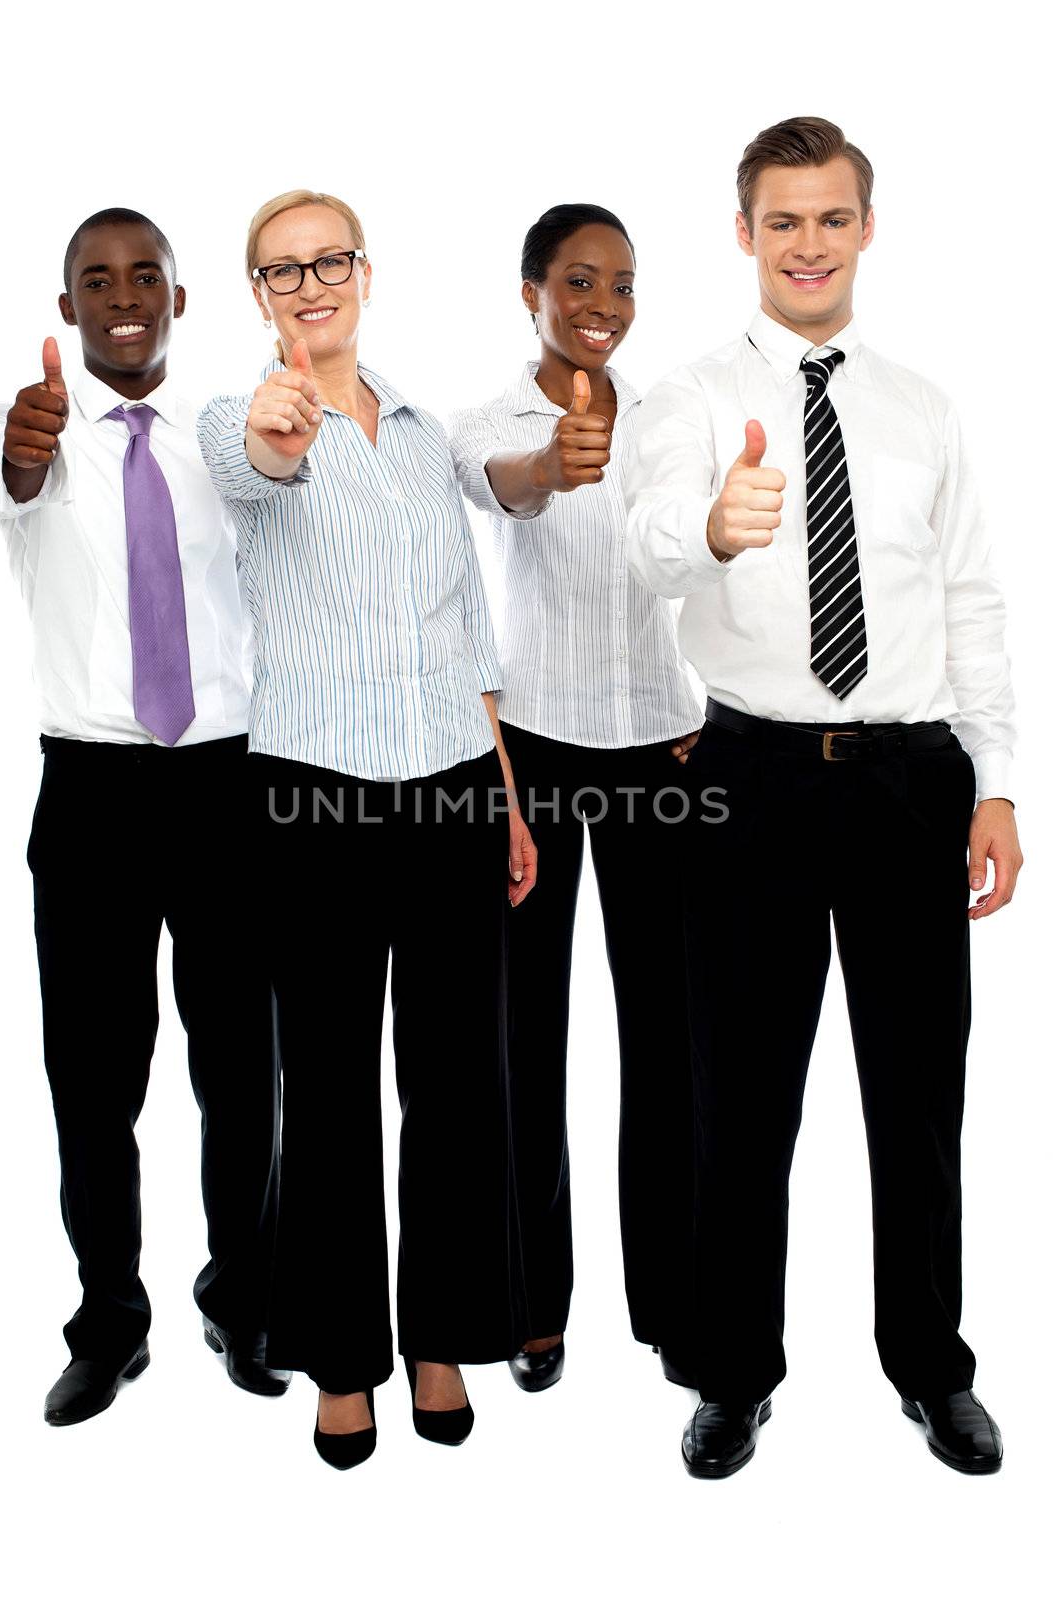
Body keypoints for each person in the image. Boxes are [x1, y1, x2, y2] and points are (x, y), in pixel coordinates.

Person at [626, 116, 1020, 1478]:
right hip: (754, 778)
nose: (806, 243)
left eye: (830, 218)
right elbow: (649, 544)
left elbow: (971, 600)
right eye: (781, 220)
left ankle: (930, 1365)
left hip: (914, 779)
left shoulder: (924, 410)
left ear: (865, 228)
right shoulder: (685, 400)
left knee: (918, 1097)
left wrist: (1000, 786)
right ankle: (732, 1371)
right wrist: (714, 524)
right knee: (741, 1097)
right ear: (745, 235)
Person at [198, 189, 535, 1471]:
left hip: (451, 787)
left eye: (326, 260)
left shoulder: (418, 435)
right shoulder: (243, 419)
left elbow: (464, 630)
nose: (310, 283)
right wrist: (284, 425)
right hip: (317, 804)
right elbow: (254, 463)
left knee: (457, 1087)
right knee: (328, 1094)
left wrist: (502, 793)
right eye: (282, 272)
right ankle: (343, 1358)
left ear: (364, 271)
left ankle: (439, 1337)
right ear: (261, 298)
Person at [0, 209, 286, 1427]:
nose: (122, 294)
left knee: (243, 1074)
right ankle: (109, 1322)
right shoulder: (18, 426)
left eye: (143, 273)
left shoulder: (223, 437)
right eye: (95, 280)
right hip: (92, 794)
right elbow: (1, 478)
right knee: (93, 1081)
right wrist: (26, 447)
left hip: (226, 786)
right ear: (69, 311)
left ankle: (242, 1298)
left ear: (179, 299)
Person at [450, 204, 703, 1394]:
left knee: (668, 1041)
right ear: (529, 293)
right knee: (523, 1042)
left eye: (621, 283)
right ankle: (528, 1299)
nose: (601, 303)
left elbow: (698, 557)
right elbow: (506, 487)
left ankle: (671, 1299)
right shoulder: (485, 424)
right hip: (535, 756)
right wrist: (551, 464)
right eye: (577, 282)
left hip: (661, 749)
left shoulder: (665, 422)